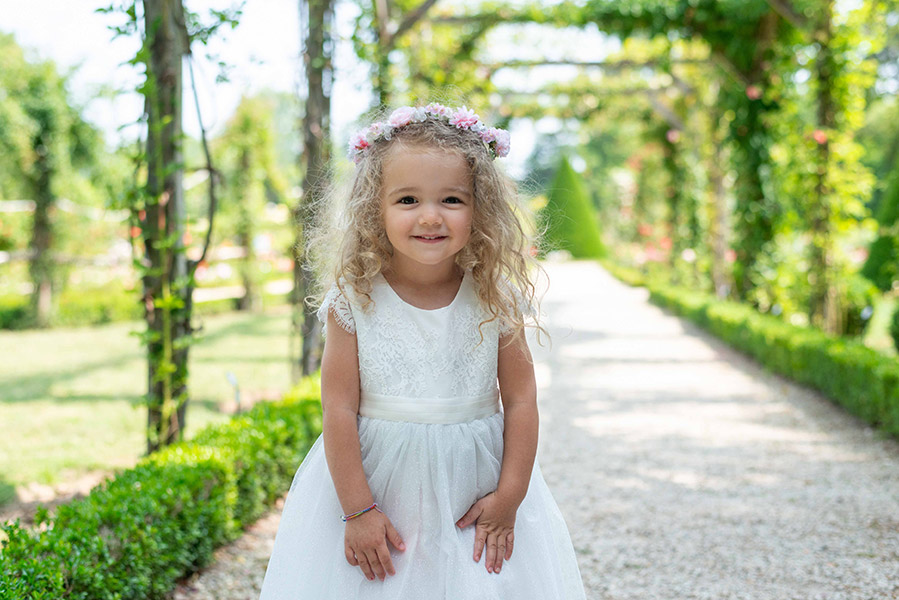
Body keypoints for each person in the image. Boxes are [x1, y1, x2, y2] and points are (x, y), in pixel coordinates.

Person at [259, 103, 586, 599]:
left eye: (452, 199)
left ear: (480, 207)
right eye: (407, 199)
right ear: (376, 209)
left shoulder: (496, 296)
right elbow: (339, 408)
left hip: (474, 487)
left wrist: (510, 497)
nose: (430, 216)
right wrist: (359, 511)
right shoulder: (355, 298)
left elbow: (520, 400)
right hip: (379, 489)